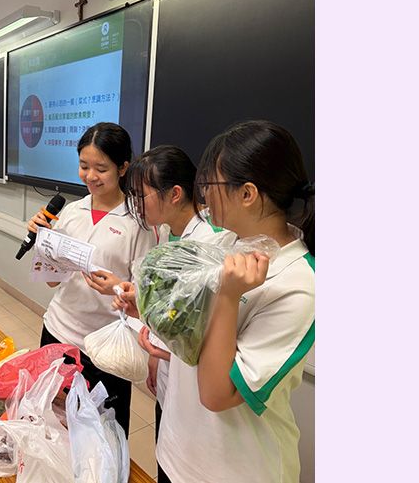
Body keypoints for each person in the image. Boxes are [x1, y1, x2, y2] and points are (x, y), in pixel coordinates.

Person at [155, 120, 315, 483]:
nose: (203, 198)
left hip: (231, 470)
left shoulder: (299, 284)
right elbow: (189, 329)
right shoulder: (223, 243)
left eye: (209, 186)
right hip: (177, 449)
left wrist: (228, 296)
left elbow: (218, 394)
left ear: (247, 194)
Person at [26, 122, 156, 437]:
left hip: (105, 348)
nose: (90, 176)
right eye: (84, 166)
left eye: (101, 168)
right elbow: (53, 282)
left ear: (123, 168)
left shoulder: (139, 222)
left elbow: (147, 296)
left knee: (103, 435)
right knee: (53, 426)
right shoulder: (72, 212)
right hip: (58, 332)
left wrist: (115, 287)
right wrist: (43, 242)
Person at [108, 145, 218, 483]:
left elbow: (205, 335)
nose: (136, 205)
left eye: (141, 195)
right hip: (170, 378)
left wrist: (161, 344)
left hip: (197, 393)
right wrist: (141, 304)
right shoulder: (170, 234)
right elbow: (173, 313)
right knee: (165, 457)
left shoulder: (209, 247)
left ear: (175, 194)